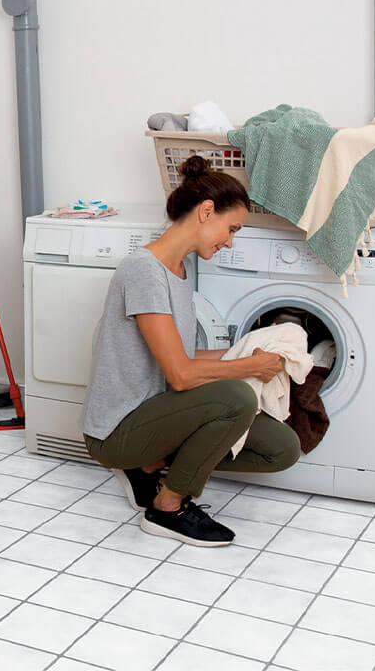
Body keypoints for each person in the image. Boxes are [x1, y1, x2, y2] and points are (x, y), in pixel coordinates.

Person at [81, 156, 300, 546]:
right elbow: (180, 374)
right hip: (117, 429)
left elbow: (182, 359)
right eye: (231, 228)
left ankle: (150, 467)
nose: (230, 240)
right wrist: (247, 367)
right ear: (205, 211)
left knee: (282, 449)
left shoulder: (178, 271)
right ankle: (168, 506)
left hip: (158, 416)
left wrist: (252, 350)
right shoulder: (144, 269)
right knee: (236, 397)